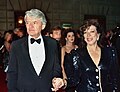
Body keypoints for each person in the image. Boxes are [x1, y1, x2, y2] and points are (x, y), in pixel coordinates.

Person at [7, 9, 65, 92]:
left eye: (34, 22)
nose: (30, 26)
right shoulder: (16, 45)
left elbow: (56, 67)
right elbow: (12, 72)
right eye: (28, 23)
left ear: (43, 25)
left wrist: (56, 79)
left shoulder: (52, 44)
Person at [67, 19, 120, 92]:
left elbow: (115, 78)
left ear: (98, 35)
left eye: (92, 31)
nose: (88, 35)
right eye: (85, 32)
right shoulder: (77, 54)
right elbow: (74, 80)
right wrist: (63, 82)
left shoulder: (110, 52)